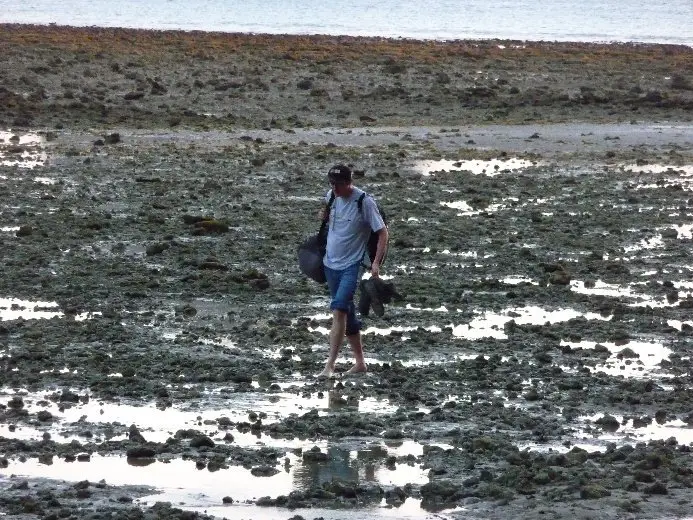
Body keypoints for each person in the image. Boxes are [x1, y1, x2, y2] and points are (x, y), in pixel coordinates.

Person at [316, 164, 388, 379]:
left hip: (351, 266)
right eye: (331, 184)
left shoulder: (364, 202)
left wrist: (376, 263)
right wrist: (324, 217)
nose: (334, 188)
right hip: (330, 264)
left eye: (338, 184)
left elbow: (383, 233)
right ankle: (360, 363)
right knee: (348, 314)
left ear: (349, 182)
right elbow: (331, 225)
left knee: (338, 310)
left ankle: (329, 365)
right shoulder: (331, 196)